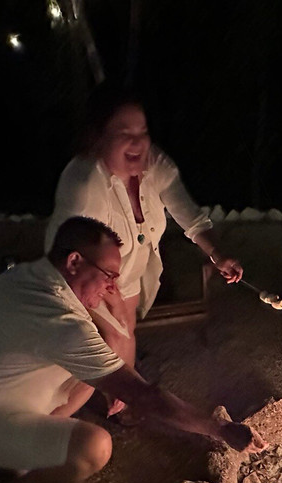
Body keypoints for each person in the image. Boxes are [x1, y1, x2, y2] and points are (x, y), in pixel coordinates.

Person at [0, 216, 264, 483]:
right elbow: (146, 397)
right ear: (73, 262)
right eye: (109, 276)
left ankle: (26, 446)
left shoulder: (34, 276)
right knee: (94, 446)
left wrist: (113, 359)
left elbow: (107, 341)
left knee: (105, 357)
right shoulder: (60, 320)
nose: (113, 287)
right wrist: (219, 429)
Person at [44, 86, 245, 415]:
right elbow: (71, 252)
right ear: (99, 137)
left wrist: (217, 254)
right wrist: (112, 312)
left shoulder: (155, 165)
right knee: (109, 345)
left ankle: (122, 404)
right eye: (125, 133)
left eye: (143, 131)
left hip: (130, 273)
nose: (138, 142)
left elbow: (190, 217)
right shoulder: (84, 182)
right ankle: (48, 418)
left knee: (126, 334)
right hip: (82, 278)